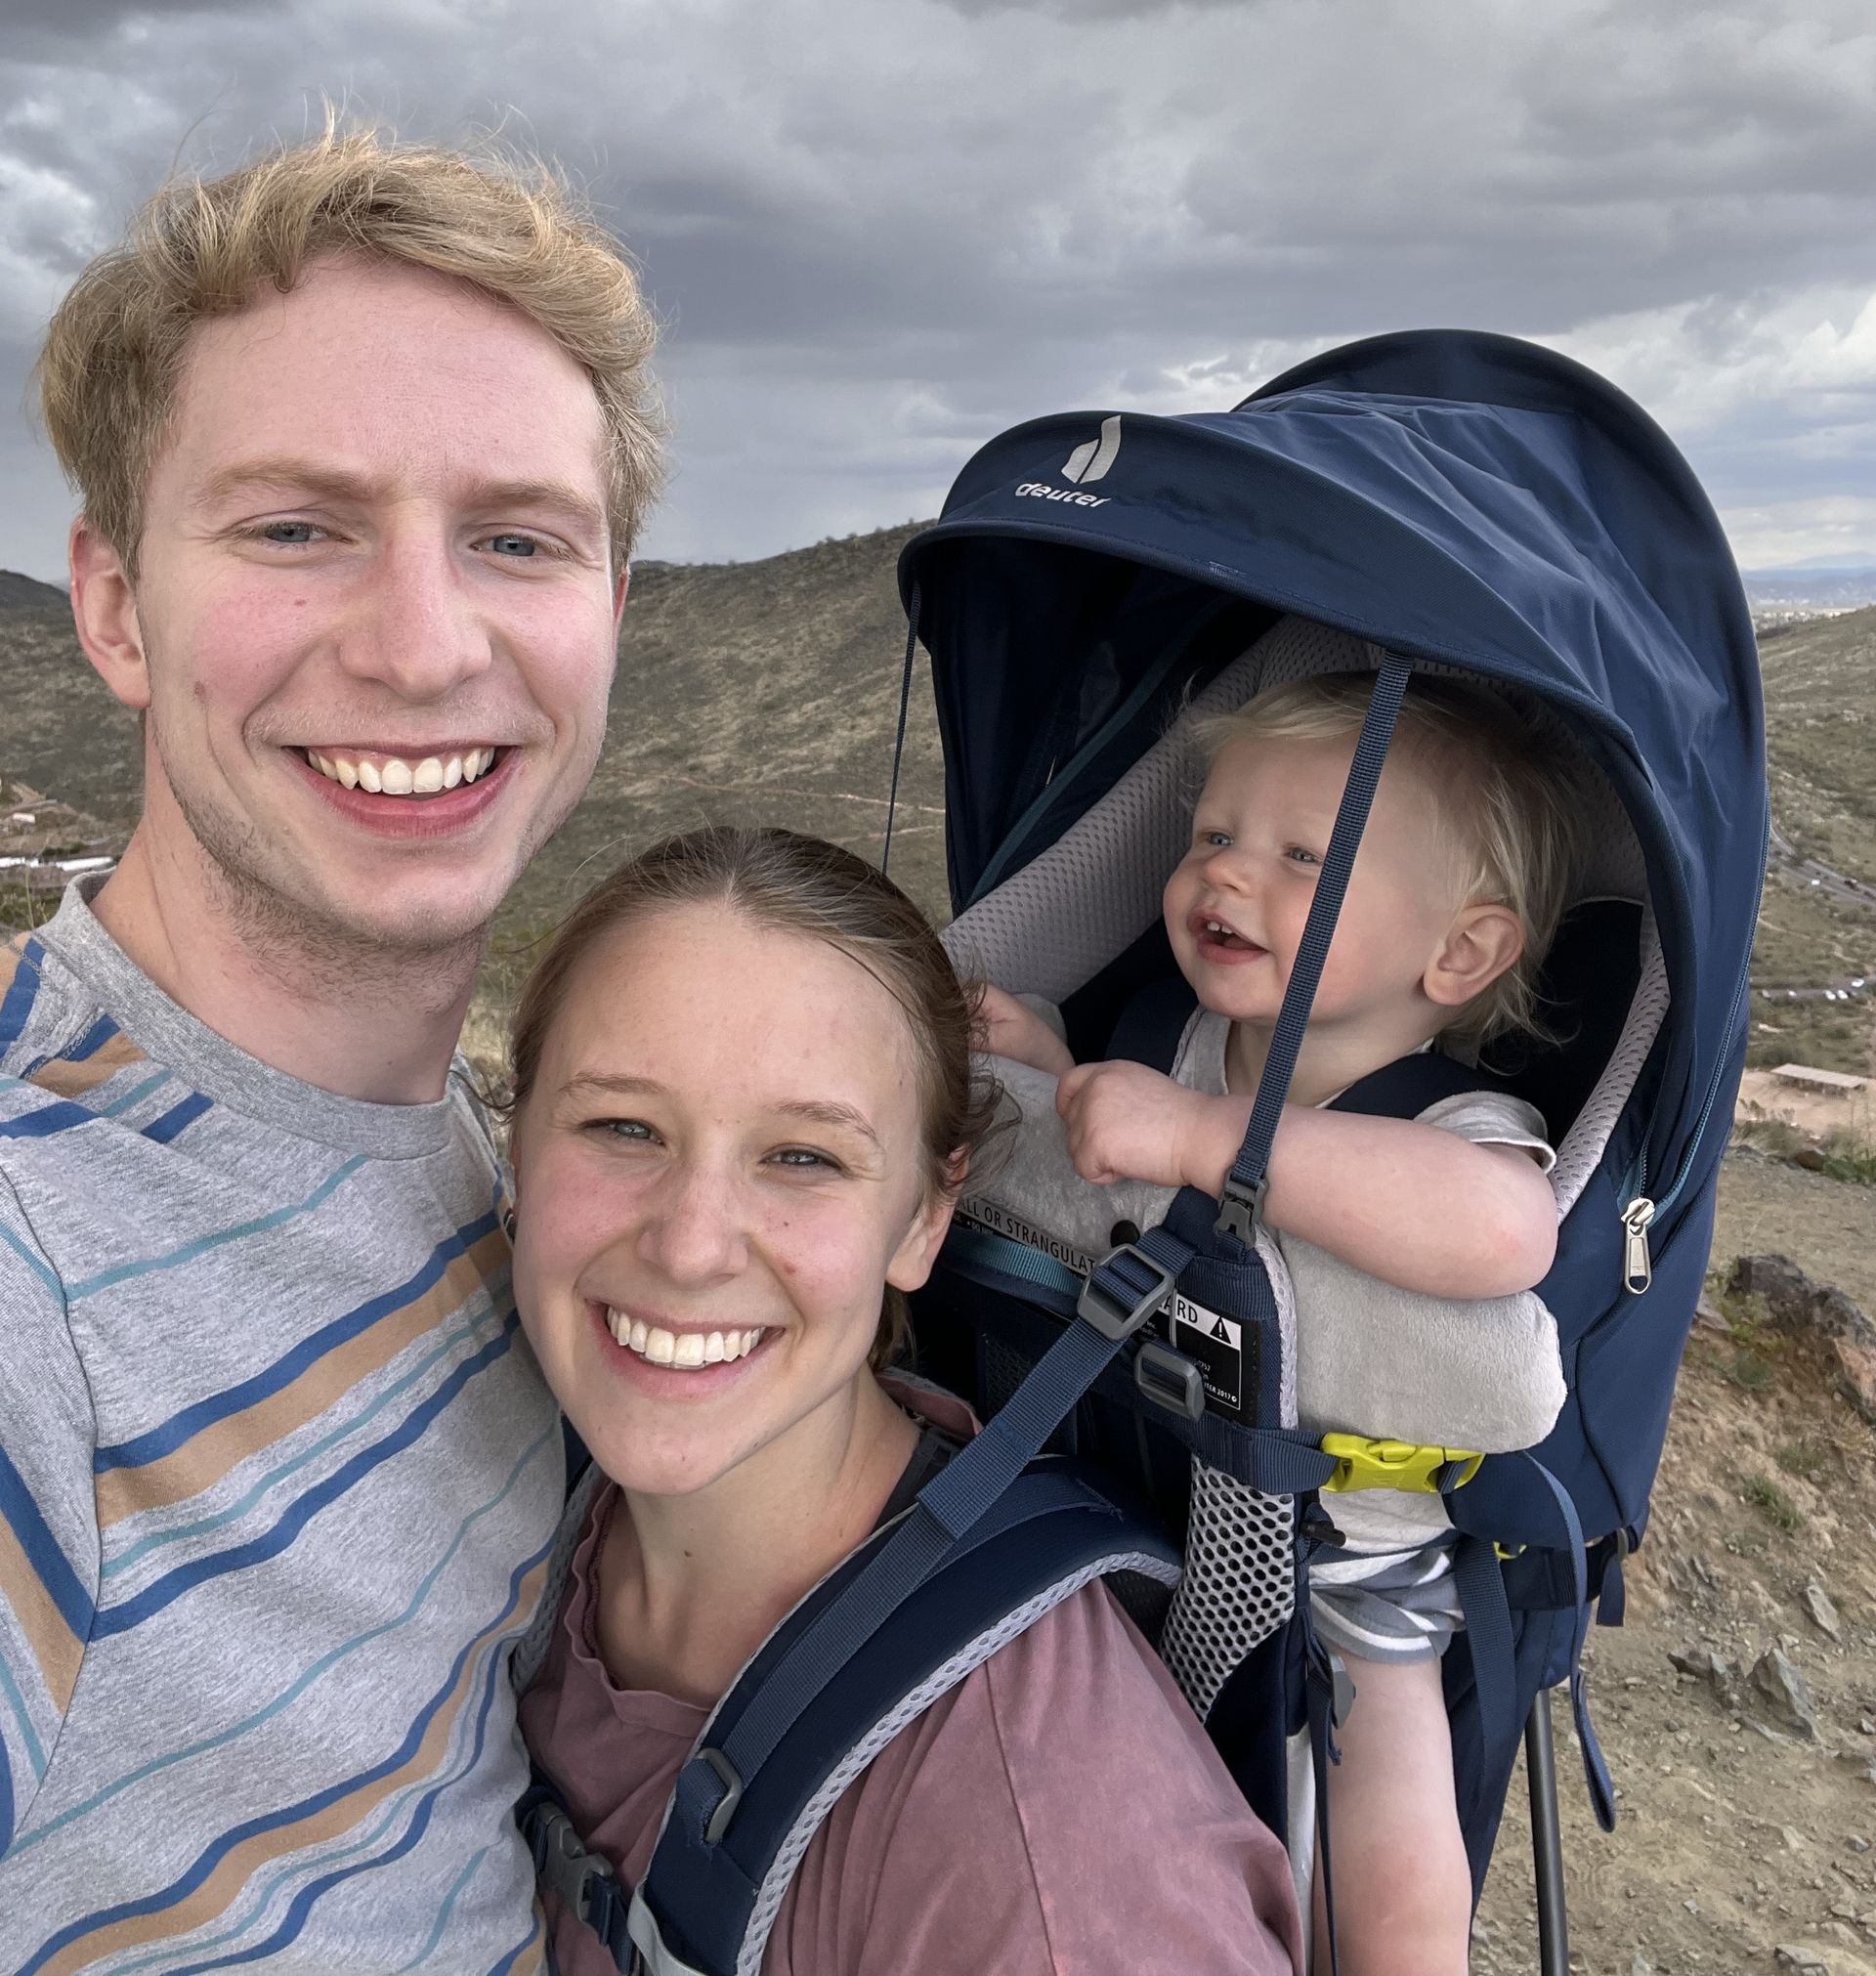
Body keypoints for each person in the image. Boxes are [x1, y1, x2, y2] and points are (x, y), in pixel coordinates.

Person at [0, 123, 659, 1969]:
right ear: (118, 608)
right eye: (298, 528)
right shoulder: (34, 1284)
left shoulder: (483, 1163)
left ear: (613, 612)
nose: (423, 644)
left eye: (517, 539)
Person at [505, 823, 1304, 1976]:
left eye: (803, 1158)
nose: (687, 1248)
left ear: (927, 1216)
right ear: (518, 1144)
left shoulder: (1041, 1865)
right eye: (622, 1128)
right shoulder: (504, 1497)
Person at [981, 664, 1582, 1976]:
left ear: (1460, 951)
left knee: (1388, 1753)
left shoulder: (1442, 1117)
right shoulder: (1180, 1036)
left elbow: (1505, 1232)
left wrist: (1207, 1137)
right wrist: (1045, 1067)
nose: (1226, 875)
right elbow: (1106, 1150)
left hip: (1356, 1552)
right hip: (1151, 1480)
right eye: (1212, 835)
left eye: (1304, 853)